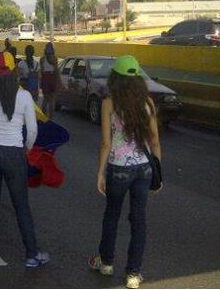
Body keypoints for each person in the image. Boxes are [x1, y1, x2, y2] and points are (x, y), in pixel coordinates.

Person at [89, 55, 161, 288]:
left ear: (115, 79)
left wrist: (100, 173)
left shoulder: (109, 103)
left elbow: (106, 144)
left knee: (112, 215)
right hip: (143, 169)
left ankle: (106, 263)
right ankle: (133, 274)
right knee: (138, 220)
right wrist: (157, 171)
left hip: (118, 169)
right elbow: (155, 141)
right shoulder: (148, 103)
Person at [0, 51, 50, 267]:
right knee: (21, 205)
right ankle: (32, 255)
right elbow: (33, 131)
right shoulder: (25, 96)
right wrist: (26, 149)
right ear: (15, 72)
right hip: (14, 153)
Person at [39, 42, 61, 117]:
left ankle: (44, 116)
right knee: (52, 99)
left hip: (45, 78)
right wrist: (59, 80)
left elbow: (41, 71)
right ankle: (51, 117)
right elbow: (56, 70)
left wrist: (41, 81)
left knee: (45, 99)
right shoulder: (54, 58)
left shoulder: (42, 59)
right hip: (52, 77)